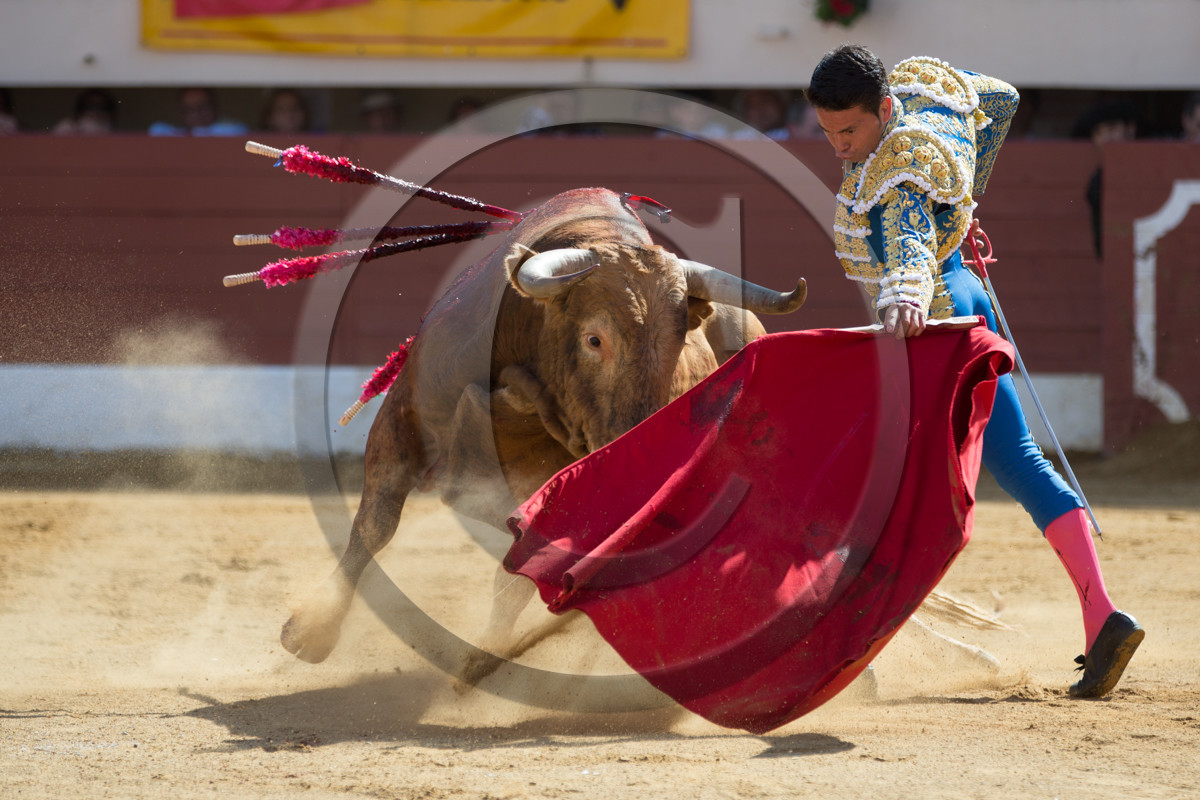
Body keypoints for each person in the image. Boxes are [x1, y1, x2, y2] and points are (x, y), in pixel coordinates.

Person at [805, 45, 1143, 698]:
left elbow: (905, 244)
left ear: (885, 108)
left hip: (933, 316)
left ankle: (850, 642)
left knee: (878, 480)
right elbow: (1000, 99)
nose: (840, 146)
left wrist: (905, 292)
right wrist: (960, 199)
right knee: (1017, 457)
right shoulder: (928, 119)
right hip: (967, 288)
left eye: (849, 130)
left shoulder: (895, 172)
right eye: (827, 132)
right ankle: (1102, 614)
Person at [1072, 100, 1139, 258]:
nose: (1106, 138)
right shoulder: (1097, 181)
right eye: (1099, 132)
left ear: (1130, 130)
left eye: (1112, 129)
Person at [149, 87, 247, 136]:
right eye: (190, 109)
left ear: (214, 107)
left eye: (201, 107)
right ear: (181, 113)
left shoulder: (232, 131)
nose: (197, 114)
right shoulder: (174, 134)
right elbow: (156, 129)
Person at [52, 88, 118, 135]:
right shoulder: (69, 127)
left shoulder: (117, 136)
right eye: (90, 107)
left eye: (103, 108)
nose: (96, 112)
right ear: (79, 112)